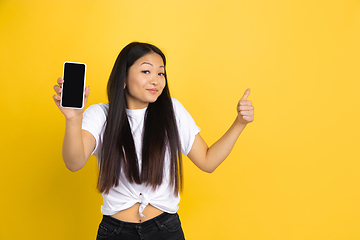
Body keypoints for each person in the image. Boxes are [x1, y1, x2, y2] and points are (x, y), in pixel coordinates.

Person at [53, 42, 254, 240]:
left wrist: (239, 123)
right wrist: (73, 119)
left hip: (165, 230)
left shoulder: (172, 111)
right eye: (146, 71)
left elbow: (208, 161)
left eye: (161, 73)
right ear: (123, 78)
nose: (156, 80)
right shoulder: (100, 115)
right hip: (115, 232)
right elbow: (74, 163)